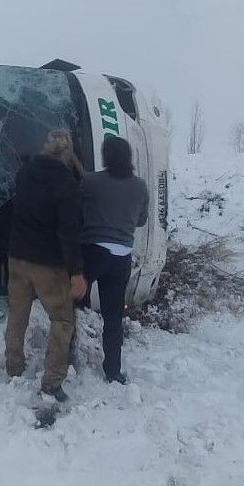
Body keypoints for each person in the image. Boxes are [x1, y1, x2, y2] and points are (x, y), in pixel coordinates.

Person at [4, 129, 87, 402]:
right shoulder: (65, 183)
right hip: (48, 265)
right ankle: (51, 382)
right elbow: (69, 231)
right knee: (62, 319)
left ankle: (13, 366)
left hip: (17, 258)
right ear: (68, 155)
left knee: (17, 315)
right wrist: (76, 272)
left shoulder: (24, 173)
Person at [79, 135, 150, 384]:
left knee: (71, 303)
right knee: (113, 317)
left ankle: (66, 358)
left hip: (94, 252)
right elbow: (141, 220)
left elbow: (76, 202)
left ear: (106, 156)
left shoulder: (93, 182)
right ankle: (113, 371)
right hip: (122, 258)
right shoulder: (140, 187)